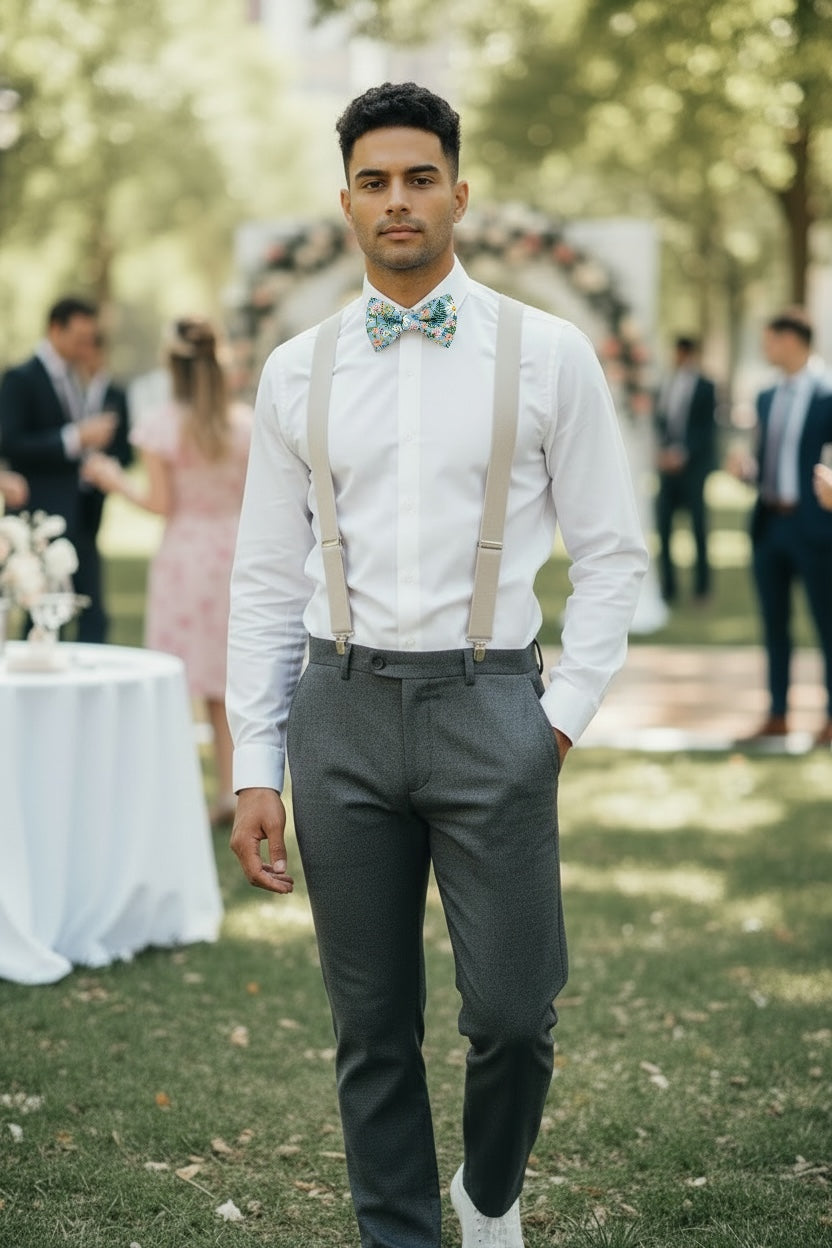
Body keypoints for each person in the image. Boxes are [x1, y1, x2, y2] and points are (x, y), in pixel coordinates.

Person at [227, 82, 648, 1248]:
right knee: (371, 1025)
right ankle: (401, 1232)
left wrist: (552, 719)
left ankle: (490, 1191)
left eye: (419, 178)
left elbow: (613, 556)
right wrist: (254, 763)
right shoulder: (295, 372)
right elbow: (265, 578)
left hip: (492, 702)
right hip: (339, 707)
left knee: (514, 1015)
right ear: (347, 200)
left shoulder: (549, 353)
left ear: (459, 192)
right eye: (374, 181)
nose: (397, 200)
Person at [83, 318, 252, 824]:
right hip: (237, 556)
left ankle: (175, 796)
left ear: (171, 366)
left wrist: (114, 481)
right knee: (227, 684)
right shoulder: (244, 423)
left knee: (177, 680)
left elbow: (159, 502)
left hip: (185, 558)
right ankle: (231, 793)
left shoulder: (160, 425)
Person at [728, 310, 832, 745]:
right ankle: (776, 714)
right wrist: (747, 471)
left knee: (827, 624)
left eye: (770, 340)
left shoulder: (827, 393)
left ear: (792, 340)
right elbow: (771, 462)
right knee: (774, 624)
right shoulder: (767, 396)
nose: (765, 348)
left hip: (817, 527)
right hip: (770, 525)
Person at [0, 297, 119, 640]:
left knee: (93, 614)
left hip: (81, 512)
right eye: (80, 337)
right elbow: (12, 444)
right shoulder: (20, 378)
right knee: (44, 615)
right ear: (55, 329)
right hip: (41, 515)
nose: (87, 346)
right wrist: (75, 438)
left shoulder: (76, 376)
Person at [73, 329, 133, 641]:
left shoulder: (117, 394)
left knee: (88, 552)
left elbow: (127, 450)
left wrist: (106, 469)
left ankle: (91, 622)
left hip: (96, 491)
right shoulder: (70, 389)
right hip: (67, 487)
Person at [653, 335, 717, 604]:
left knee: (698, 528)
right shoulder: (665, 384)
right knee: (664, 527)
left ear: (689, 354)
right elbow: (661, 422)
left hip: (693, 469)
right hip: (667, 470)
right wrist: (663, 453)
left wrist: (683, 453)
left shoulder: (706, 386)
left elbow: (706, 429)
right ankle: (668, 588)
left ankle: (702, 588)